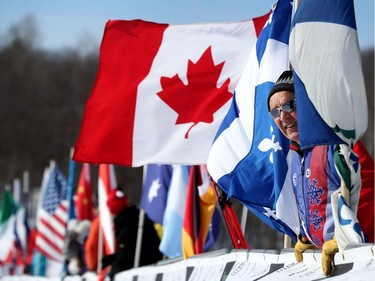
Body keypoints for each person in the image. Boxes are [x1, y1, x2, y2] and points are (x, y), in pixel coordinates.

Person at [267, 70, 374, 276]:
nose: (283, 116)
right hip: (330, 264)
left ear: (306, 103)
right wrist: (307, 237)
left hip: (360, 261)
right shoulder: (296, 156)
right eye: (275, 112)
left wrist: (346, 241)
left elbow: (368, 188)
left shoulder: (335, 142)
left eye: (290, 104)